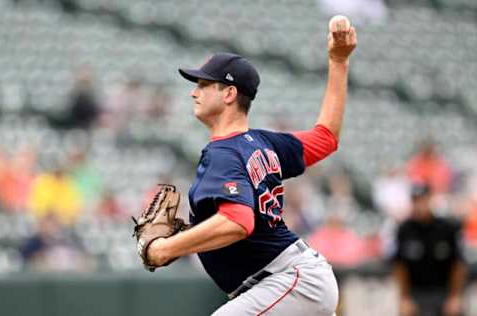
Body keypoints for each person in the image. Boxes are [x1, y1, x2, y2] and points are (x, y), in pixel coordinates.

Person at [146, 17, 357, 316]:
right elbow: (326, 138)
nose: (195, 92)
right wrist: (338, 61)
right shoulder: (262, 143)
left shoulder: (223, 153)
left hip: (287, 281)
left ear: (230, 94)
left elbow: (237, 221)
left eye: (204, 84)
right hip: (292, 283)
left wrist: (166, 248)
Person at [393, 183, 467, 316]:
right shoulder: (404, 230)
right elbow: (399, 266)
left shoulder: (447, 228)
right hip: (416, 293)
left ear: (430, 200)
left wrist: (455, 296)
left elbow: (458, 265)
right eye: (415, 201)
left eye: (422, 200)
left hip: (443, 291)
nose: (419, 205)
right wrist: (404, 298)